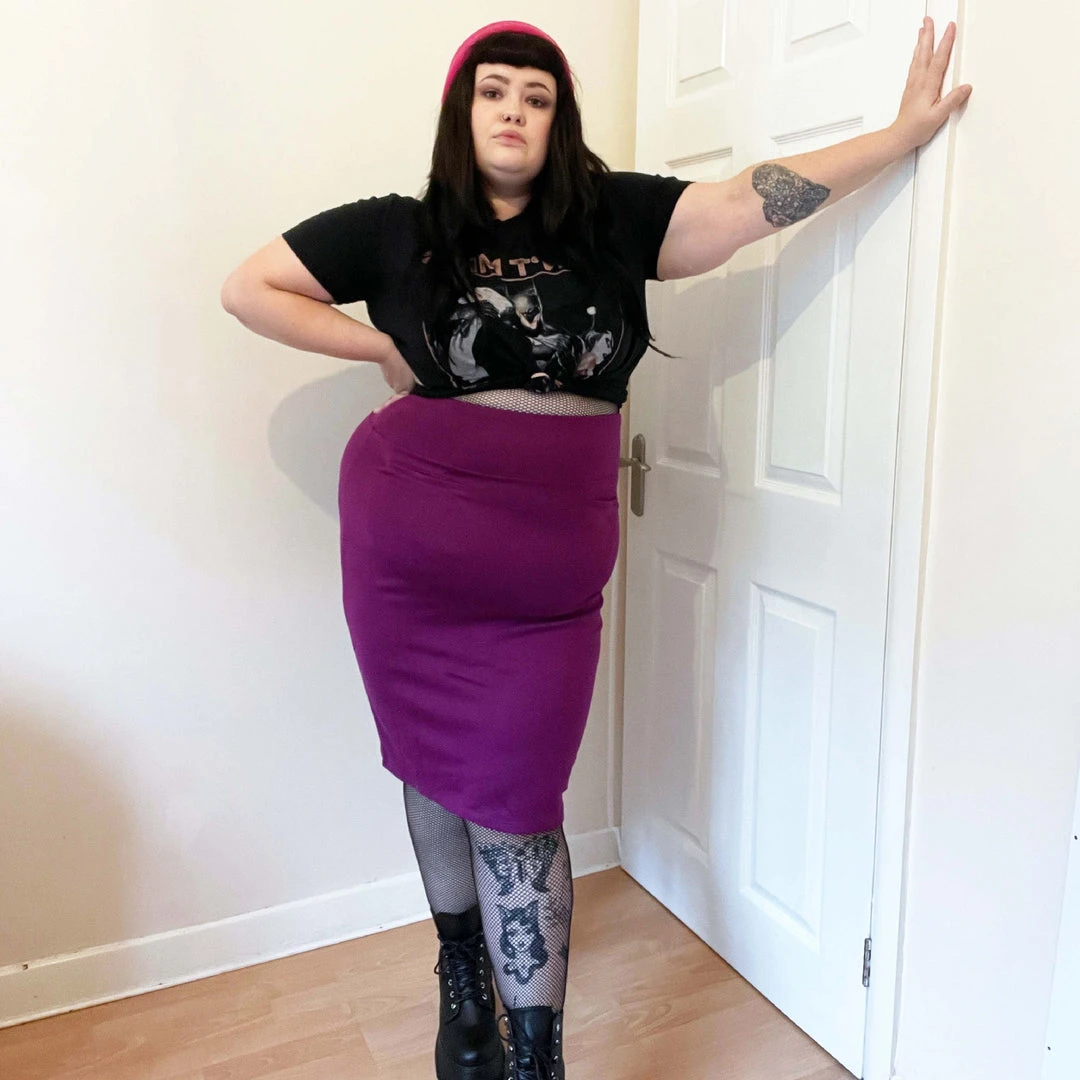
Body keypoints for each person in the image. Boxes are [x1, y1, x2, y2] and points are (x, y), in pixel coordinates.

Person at [220, 18, 970, 1080]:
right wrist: (380, 345)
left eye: (536, 96)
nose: (514, 110)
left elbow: (746, 203)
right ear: (462, 111)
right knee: (431, 764)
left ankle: (536, 1059)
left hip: (547, 582)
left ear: (558, 121)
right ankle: (462, 982)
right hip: (405, 554)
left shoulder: (614, 218)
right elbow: (249, 286)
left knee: (519, 803)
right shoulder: (397, 229)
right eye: (493, 91)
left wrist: (897, 138)